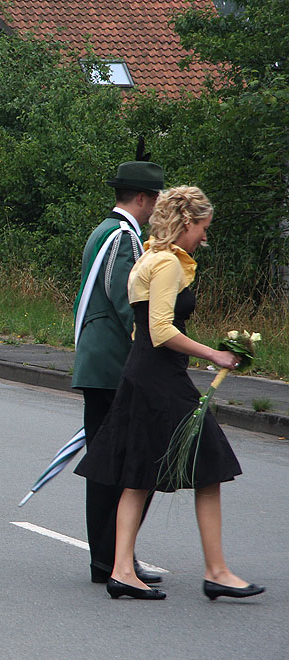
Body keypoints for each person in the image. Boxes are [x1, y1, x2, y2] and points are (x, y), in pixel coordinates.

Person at [75, 186, 263, 601]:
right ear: (185, 222)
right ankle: (215, 571)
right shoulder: (167, 264)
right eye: (202, 227)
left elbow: (140, 327)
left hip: (143, 373)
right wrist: (214, 354)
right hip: (160, 378)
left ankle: (123, 569)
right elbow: (160, 330)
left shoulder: (149, 256)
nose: (204, 237)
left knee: (138, 473)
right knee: (209, 467)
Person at [72, 160, 163, 586]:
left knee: (106, 463)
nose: (158, 205)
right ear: (143, 198)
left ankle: (107, 558)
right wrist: (154, 348)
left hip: (98, 361)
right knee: (125, 465)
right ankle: (114, 559)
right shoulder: (123, 236)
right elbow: (127, 298)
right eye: (157, 197)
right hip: (113, 364)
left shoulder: (104, 229)